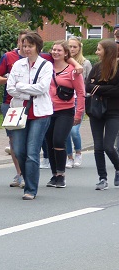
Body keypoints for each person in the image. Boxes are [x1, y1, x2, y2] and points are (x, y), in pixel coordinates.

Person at [6, 31, 53, 200]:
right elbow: (10, 88)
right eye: (24, 45)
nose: (26, 49)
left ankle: (31, 189)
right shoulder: (18, 65)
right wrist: (27, 91)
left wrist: (21, 87)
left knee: (32, 152)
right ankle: (28, 179)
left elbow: (42, 88)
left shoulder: (46, 65)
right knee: (19, 150)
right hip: (20, 111)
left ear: (37, 47)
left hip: (40, 114)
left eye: (30, 46)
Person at [43, 40, 85, 189]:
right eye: (54, 49)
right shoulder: (47, 67)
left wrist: (78, 113)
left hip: (65, 111)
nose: (55, 52)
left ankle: (61, 175)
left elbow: (81, 93)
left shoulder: (73, 71)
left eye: (59, 50)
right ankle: (54, 174)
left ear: (66, 53)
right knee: (49, 142)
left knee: (59, 141)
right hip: (47, 110)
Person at [0, 35, 26, 188]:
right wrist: (10, 80)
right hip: (10, 105)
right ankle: (19, 173)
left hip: (31, 105)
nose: (25, 46)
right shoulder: (8, 57)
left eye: (29, 43)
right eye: (22, 42)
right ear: (18, 42)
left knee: (28, 140)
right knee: (14, 140)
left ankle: (28, 173)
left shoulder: (40, 59)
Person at [85, 39, 119, 190]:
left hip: (114, 111)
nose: (96, 52)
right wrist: (108, 88)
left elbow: (117, 91)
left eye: (99, 49)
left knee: (108, 146)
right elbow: (88, 86)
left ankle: (118, 168)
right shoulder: (96, 67)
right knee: (98, 146)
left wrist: (98, 88)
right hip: (96, 110)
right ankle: (102, 178)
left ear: (108, 51)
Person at [66, 37, 92, 168]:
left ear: (79, 48)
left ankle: (78, 153)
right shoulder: (63, 62)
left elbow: (90, 82)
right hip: (65, 100)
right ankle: (69, 157)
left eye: (74, 47)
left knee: (74, 130)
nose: (72, 49)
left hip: (79, 100)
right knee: (65, 131)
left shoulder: (85, 63)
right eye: (70, 46)